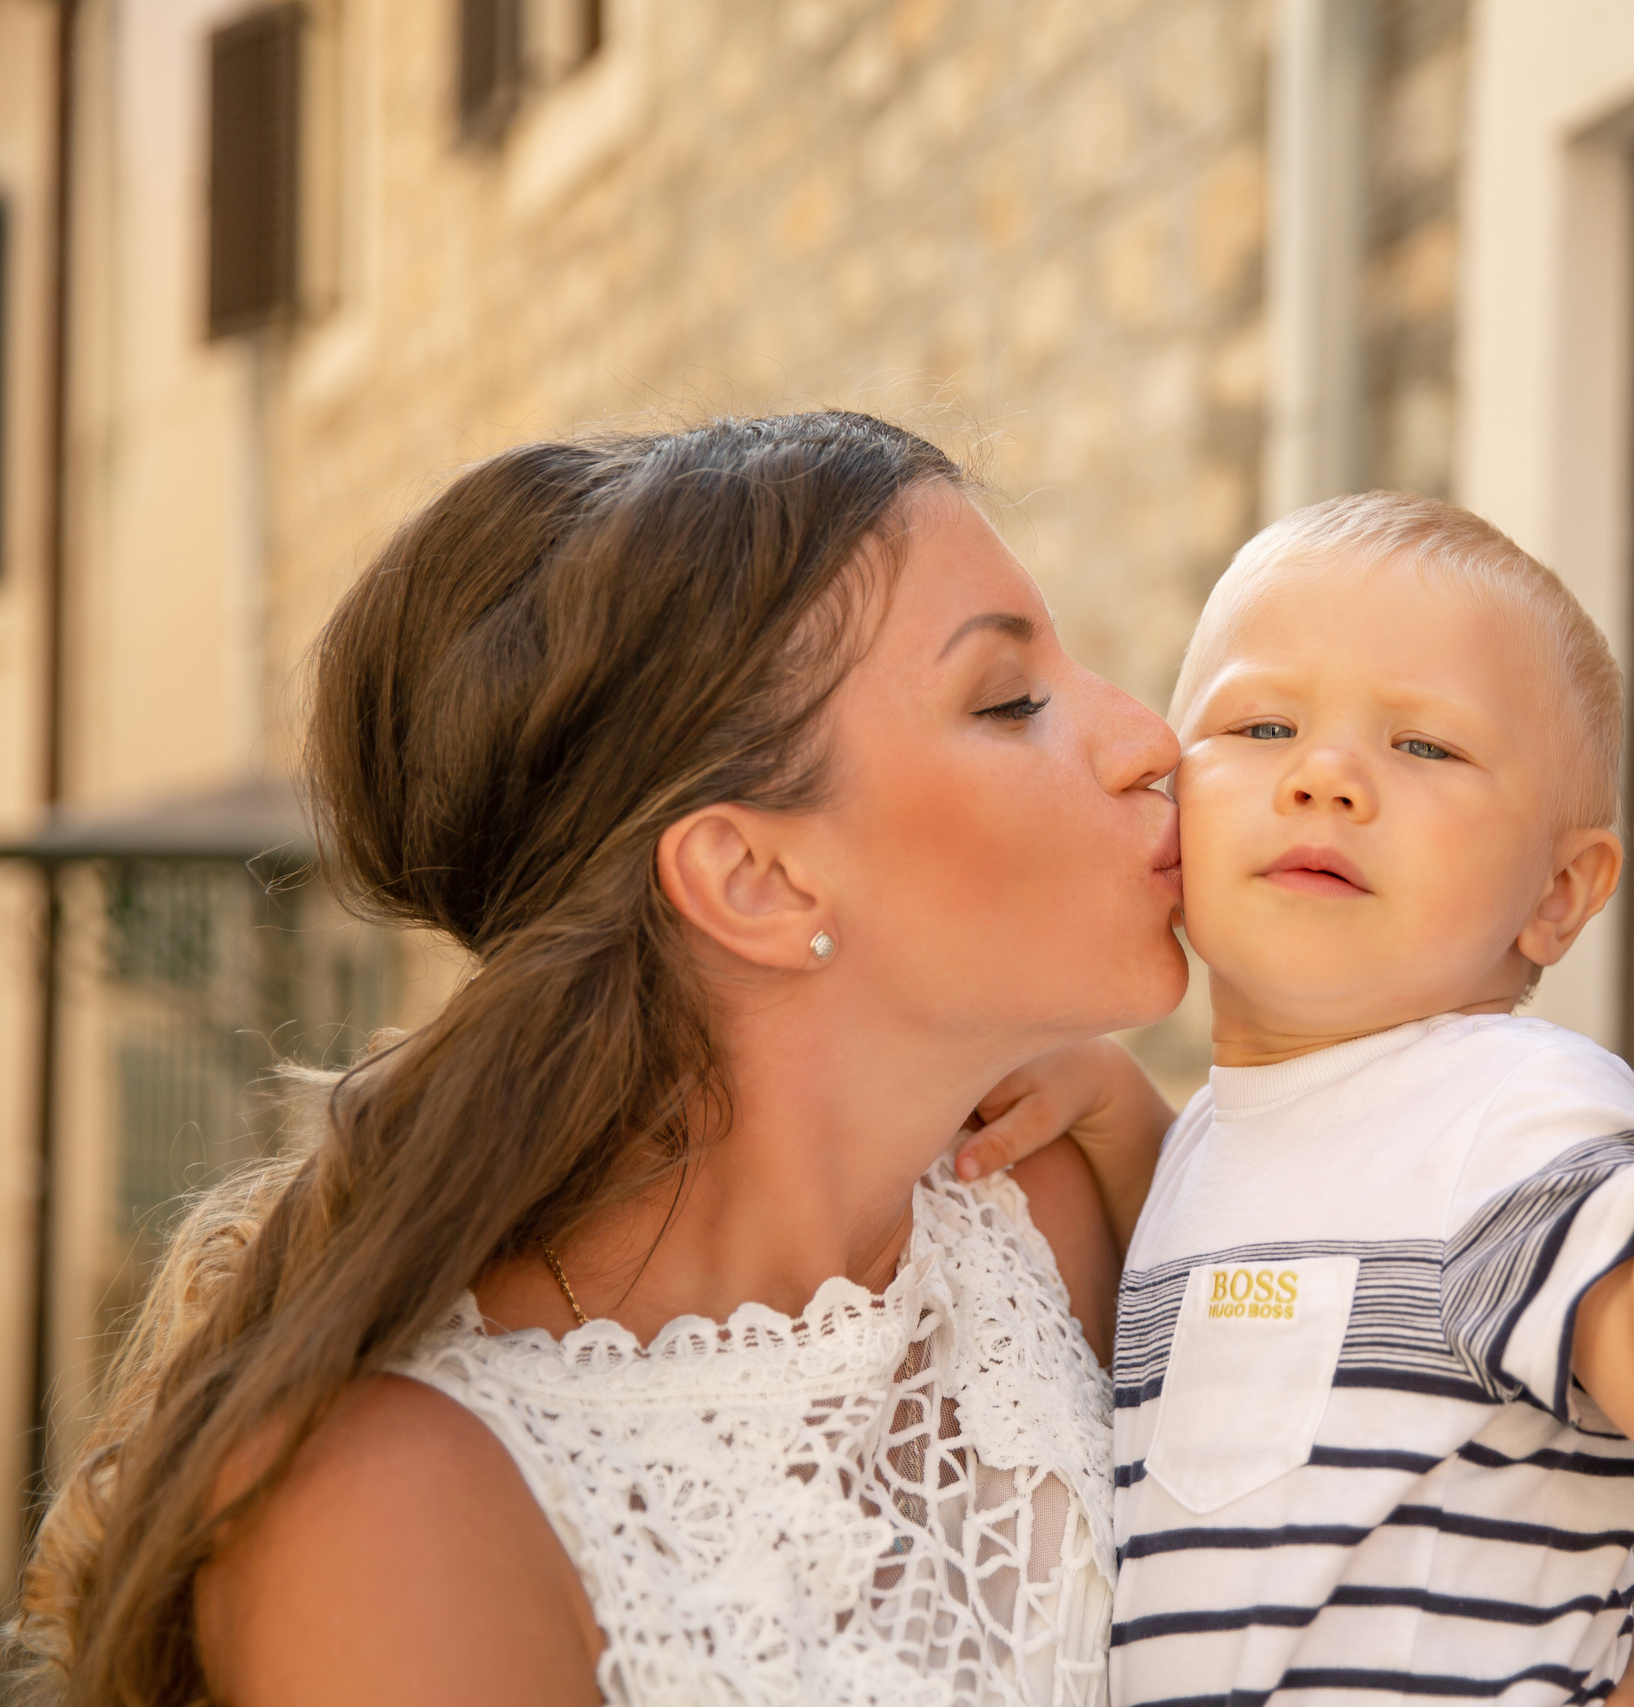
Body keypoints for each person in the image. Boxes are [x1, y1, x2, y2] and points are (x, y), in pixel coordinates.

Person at [15, 413, 1192, 1706]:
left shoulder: (1054, 1219)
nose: (1149, 739)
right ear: (750, 873)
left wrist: (1161, 1136)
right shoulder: (392, 1514)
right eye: (1010, 699)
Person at [973, 492, 1634, 1707]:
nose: (1326, 777)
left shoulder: (1505, 1111)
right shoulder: (1214, 1142)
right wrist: (1116, 1106)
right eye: (1262, 725)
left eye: (1423, 747)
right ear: (1173, 811)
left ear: (1558, 892)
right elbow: (1263, 1271)